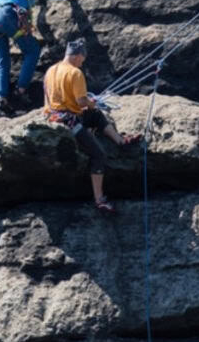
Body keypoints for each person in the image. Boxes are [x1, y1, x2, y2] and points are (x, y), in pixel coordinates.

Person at [43, 38, 139, 212]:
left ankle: (120, 140)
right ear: (78, 55)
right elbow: (81, 102)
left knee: (94, 115)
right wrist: (92, 102)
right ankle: (99, 199)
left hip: (54, 115)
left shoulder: (51, 70)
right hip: (69, 121)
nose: (82, 63)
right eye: (82, 59)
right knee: (98, 155)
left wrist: (90, 107)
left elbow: (49, 98)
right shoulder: (75, 73)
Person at [0, 0, 73, 111]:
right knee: (32, 50)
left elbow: (25, 1)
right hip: (8, 16)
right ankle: (21, 90)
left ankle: (2, 97)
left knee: (3, 60)